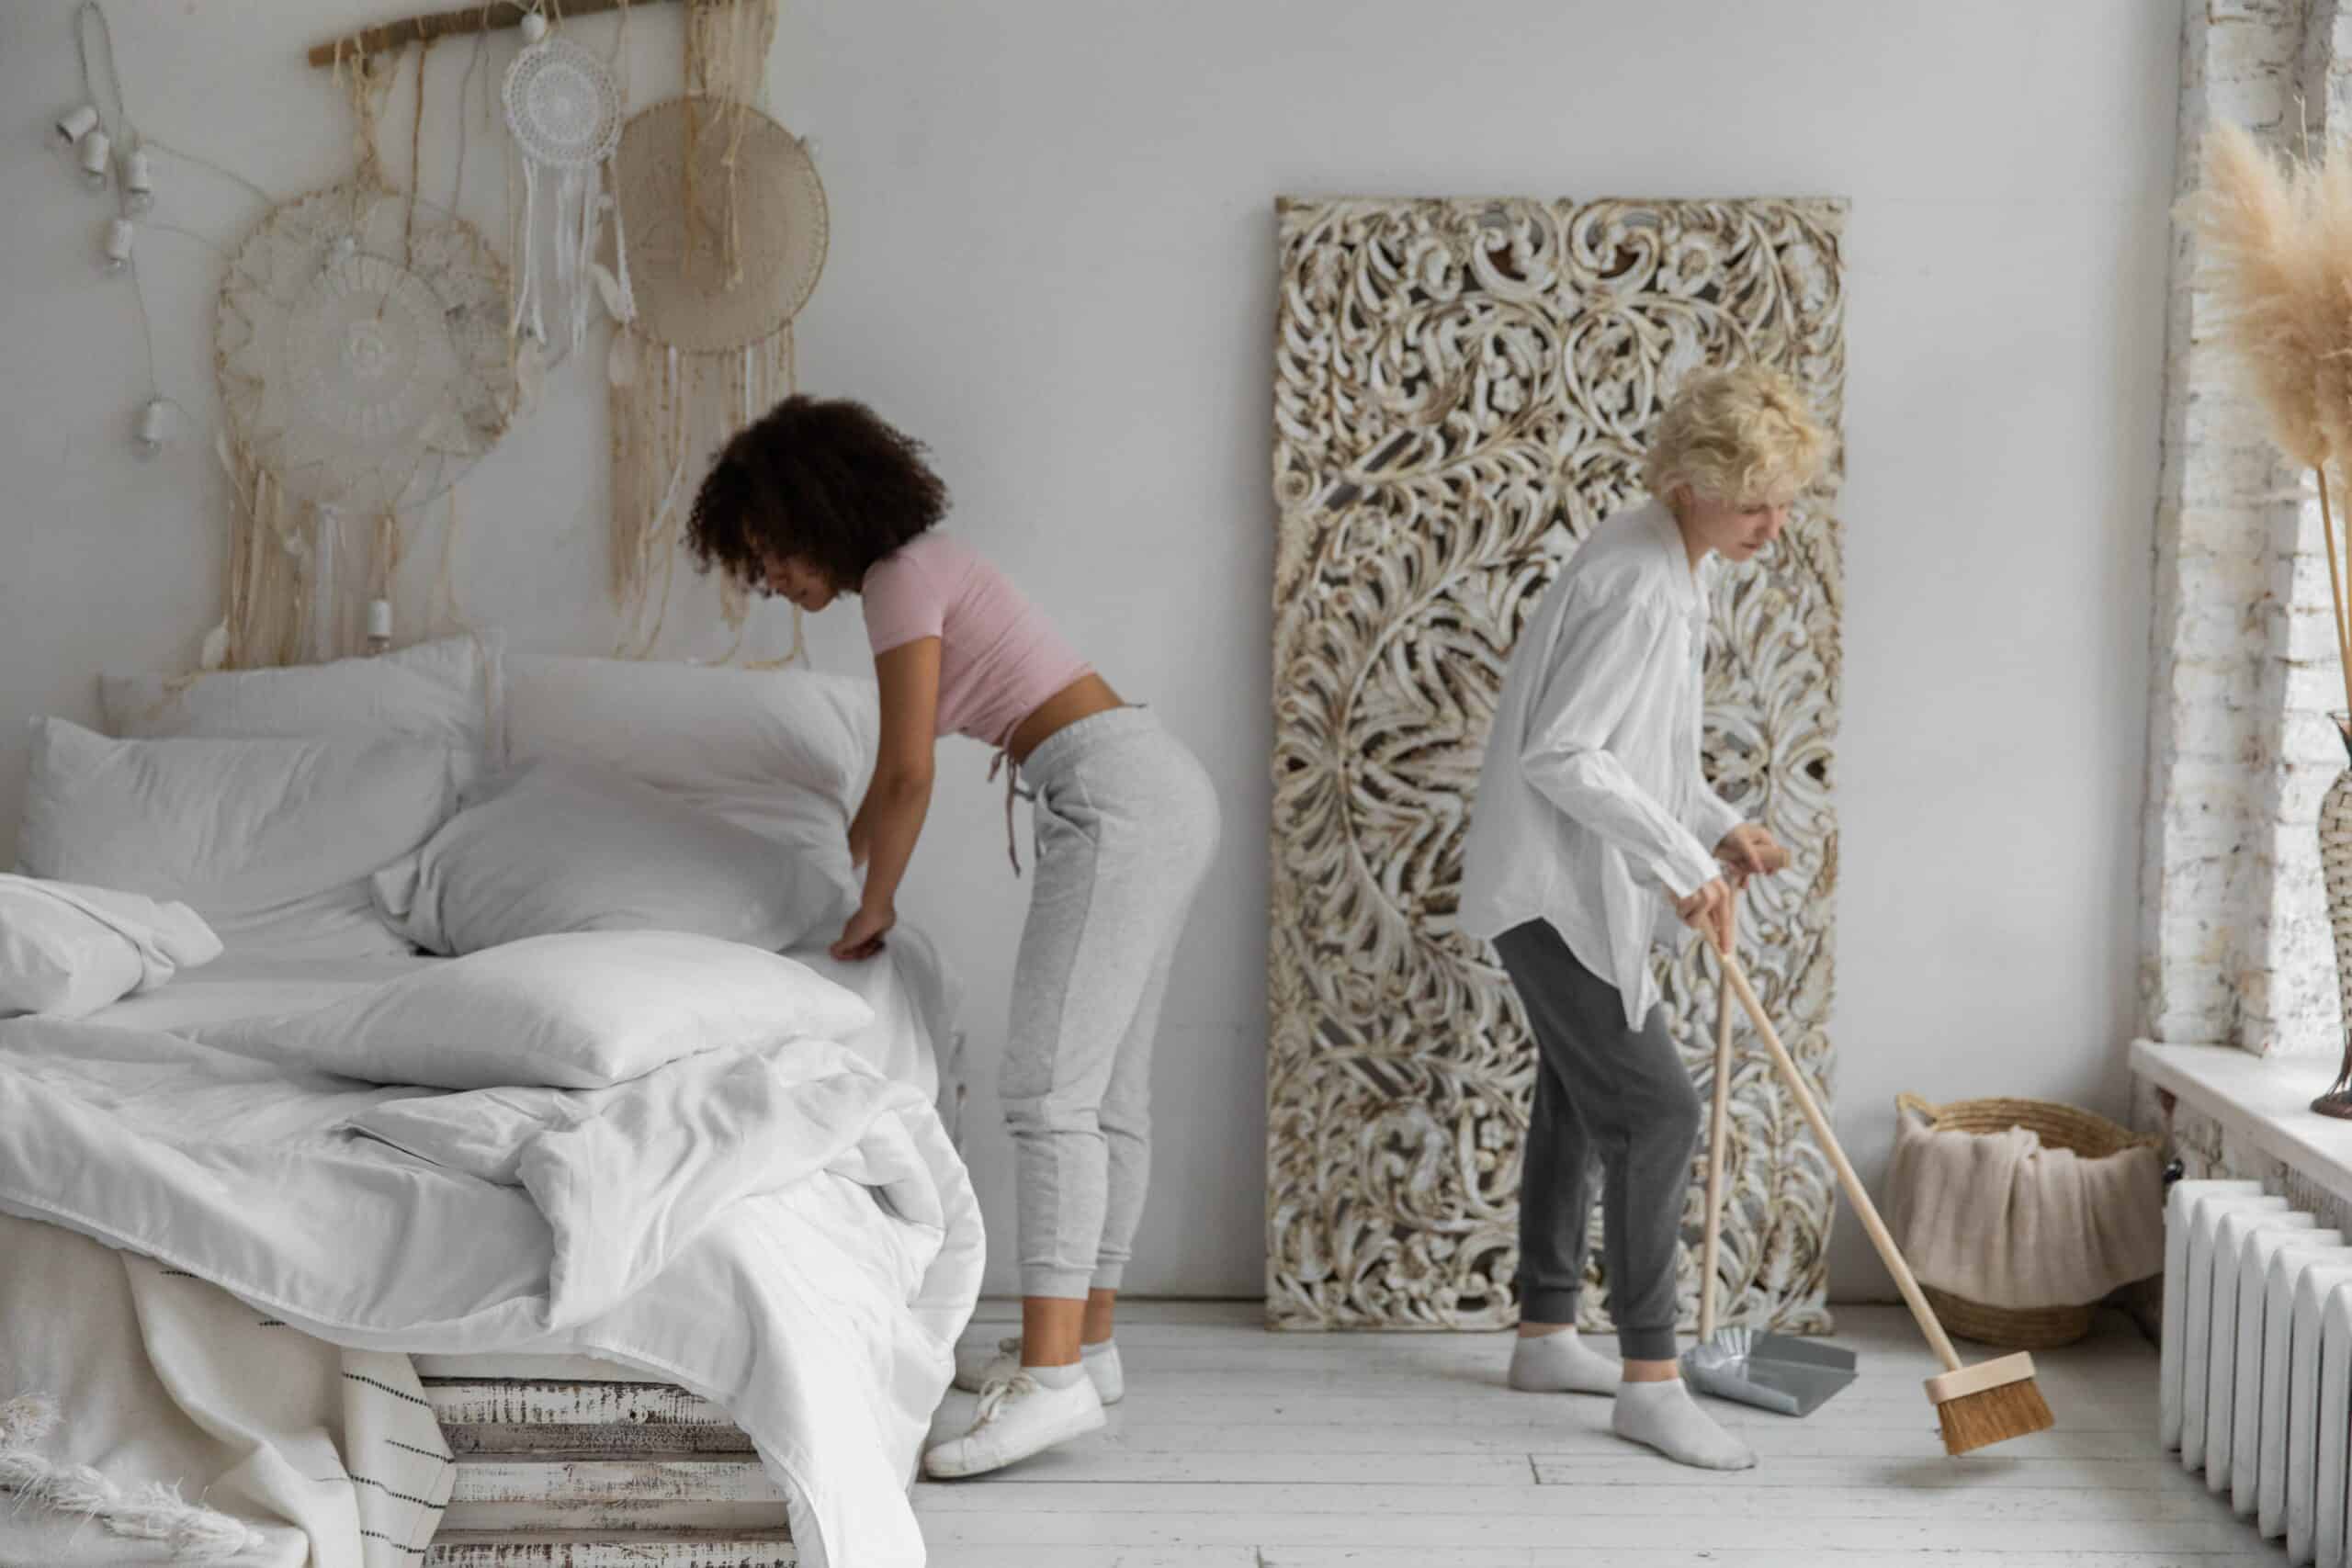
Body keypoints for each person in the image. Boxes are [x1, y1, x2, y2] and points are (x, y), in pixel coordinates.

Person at [687, 395, 1220, 1479]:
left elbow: (905, 772)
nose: (774, 584)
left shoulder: (896, 582)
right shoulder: (923, 570)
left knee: (1049, 1092)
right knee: (1104, 1095)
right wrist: (838, 874)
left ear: (817, 513)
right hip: (1146, 784)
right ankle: (1090, 1347)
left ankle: (1056, 1380)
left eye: (773, 554)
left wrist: (874, 904)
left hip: (1113, 796)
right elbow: (891, 783)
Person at [1456, 364, 1828, 1471]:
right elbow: (1561, 752)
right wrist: (1676, 861)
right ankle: (1651, 1379)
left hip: (1570, 883)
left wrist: (1717, 827)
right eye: (1754, 499)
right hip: (1553, 891)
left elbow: (1638, 751)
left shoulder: (1669, 562)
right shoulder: (1638, 581)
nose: (1775, 523)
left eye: (1783, 497)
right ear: (1690, 481)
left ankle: (1545, 1329)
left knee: (1578, 1102)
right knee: (1657, 1111)